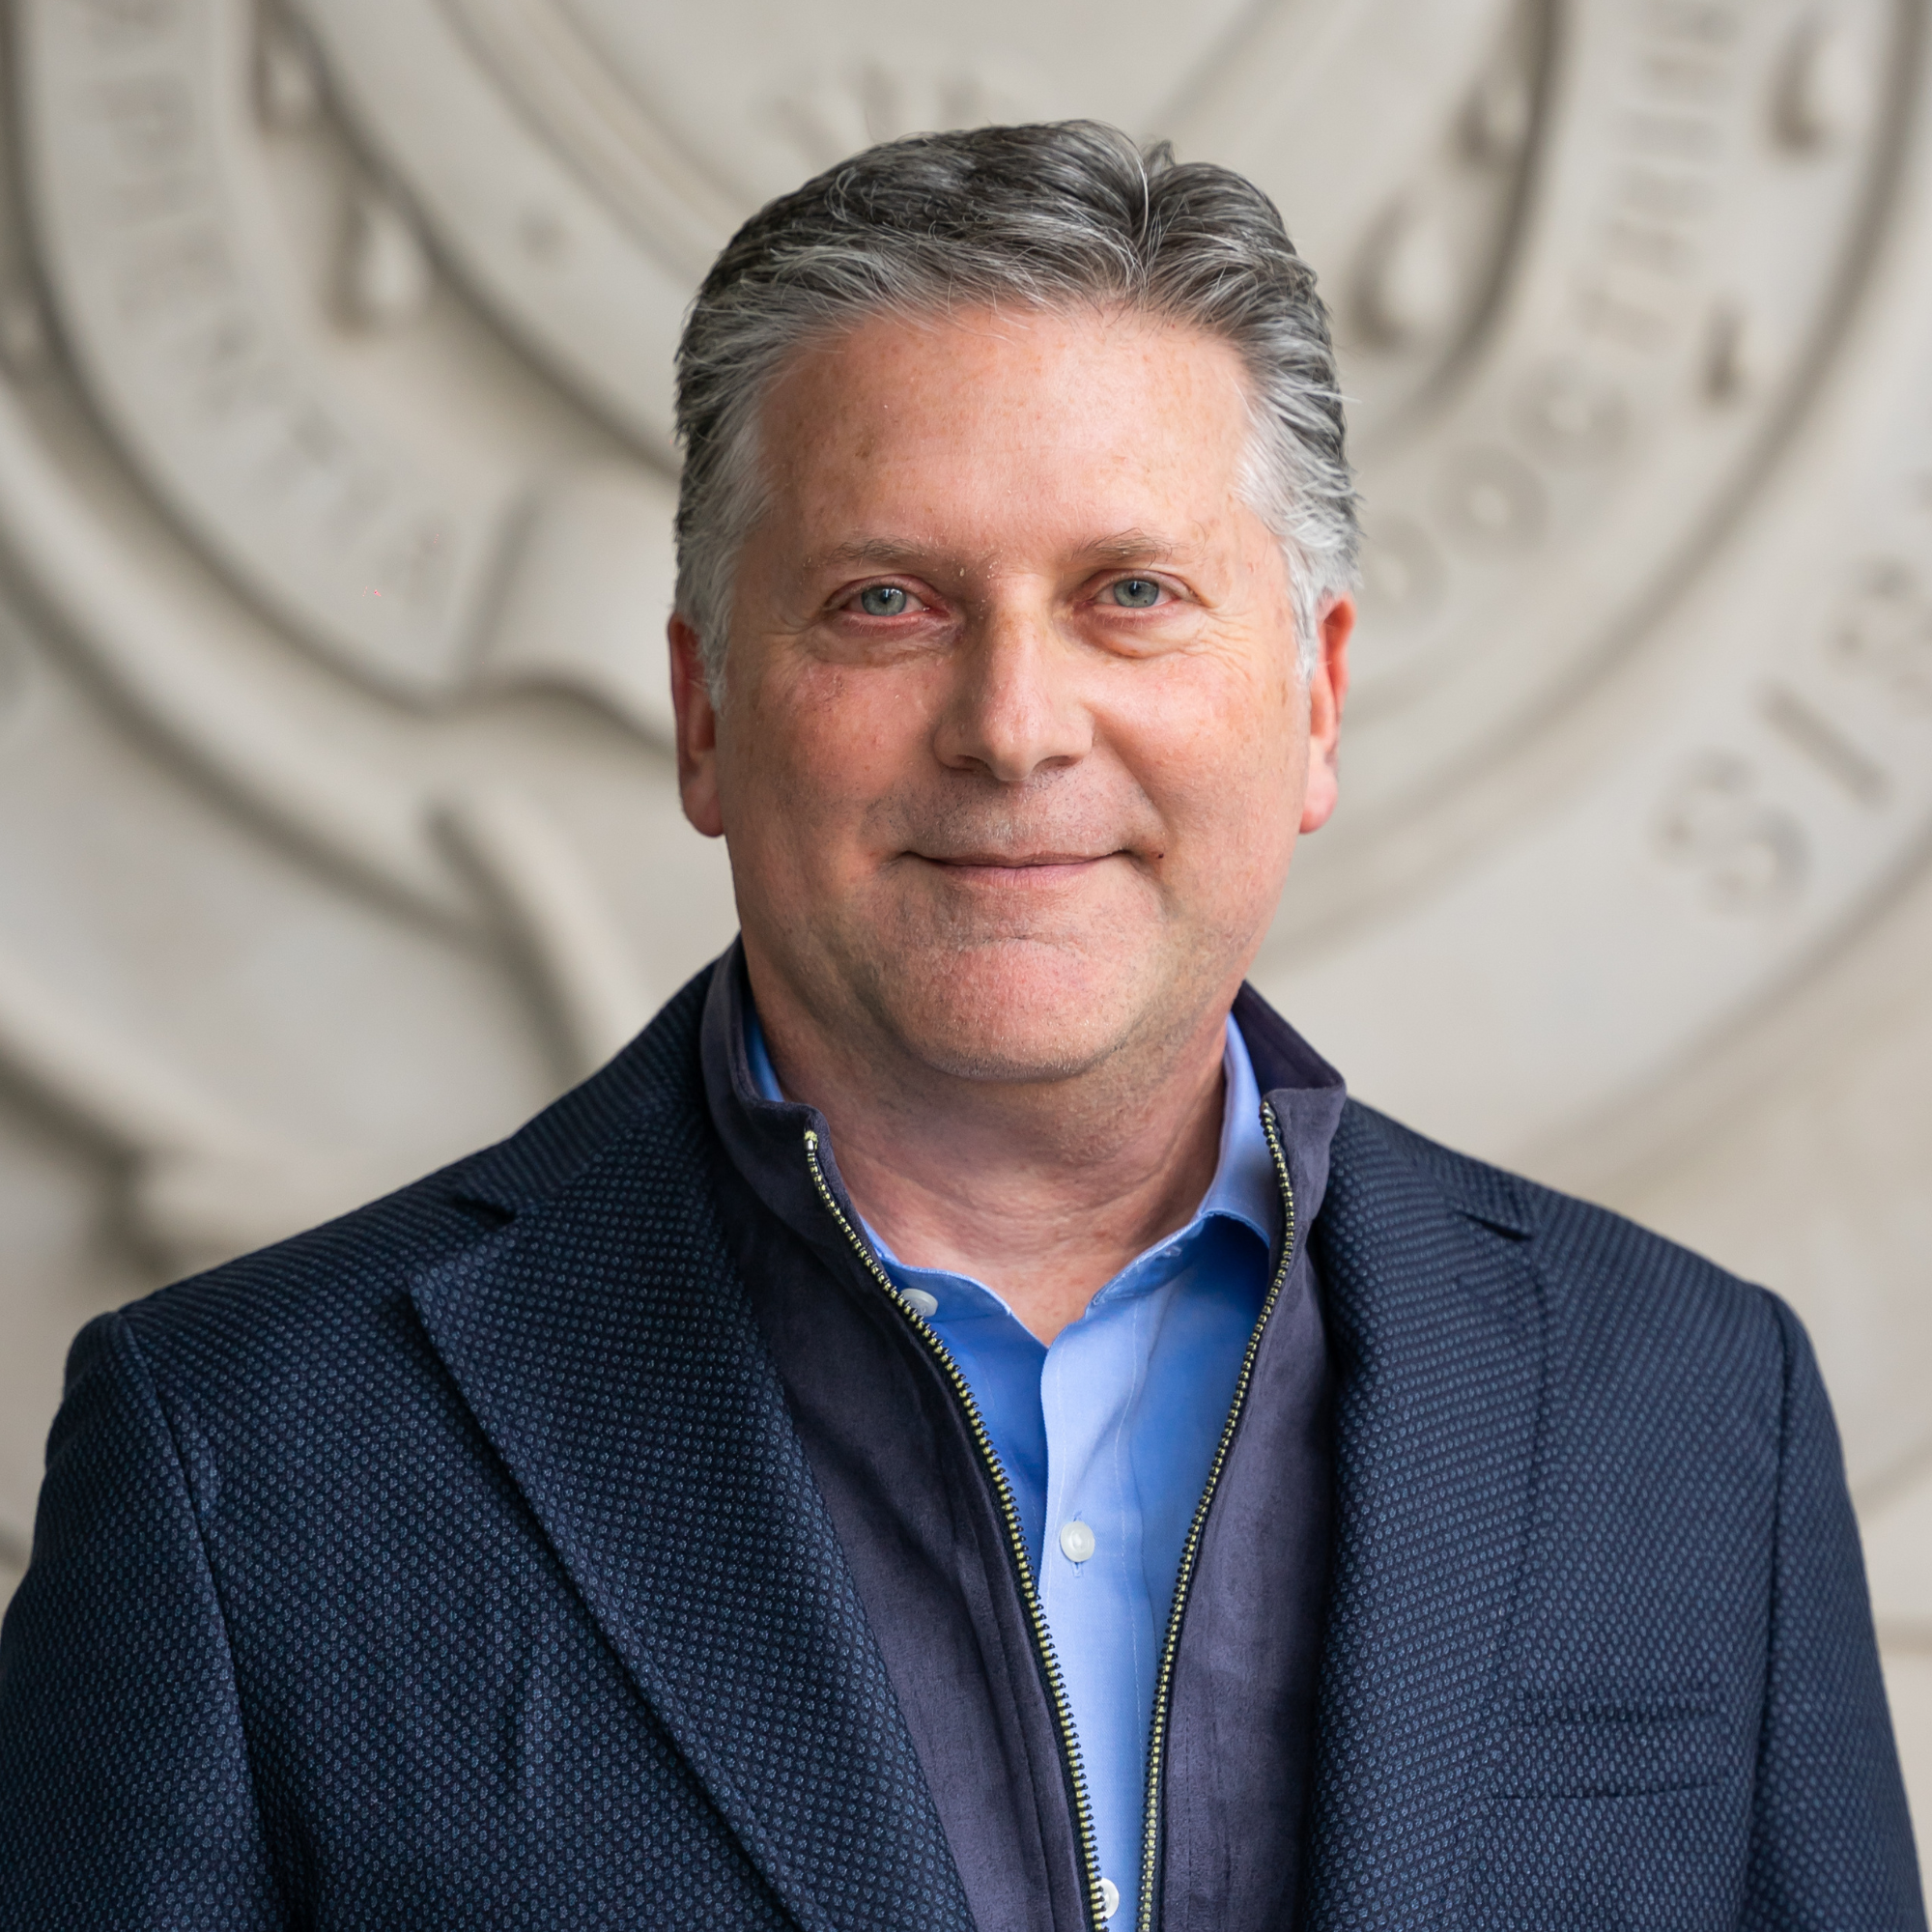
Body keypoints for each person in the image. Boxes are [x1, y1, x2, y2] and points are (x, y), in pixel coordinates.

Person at [0, 121, 1920, 1932]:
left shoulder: (1694, 1411)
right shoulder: (242, 1456)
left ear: (1317, 699)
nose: (1013, 725)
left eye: (1131, 593)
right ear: (703, 709)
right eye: (886, 601)